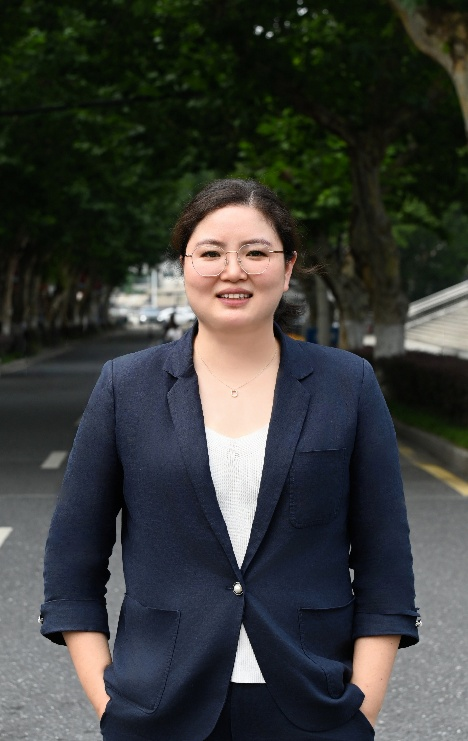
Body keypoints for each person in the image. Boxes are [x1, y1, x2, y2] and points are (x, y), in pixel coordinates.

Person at [40, 178, 420, 741]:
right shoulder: (126, 387)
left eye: (256, 253)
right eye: (211, 253)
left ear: (288, 268)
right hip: (161, 705)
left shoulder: (348, 384)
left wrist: (362, 709)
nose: (233, 271)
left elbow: (384, 560)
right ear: (184, 266)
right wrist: (110, 705)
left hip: (313, 703)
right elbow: (73, 562)